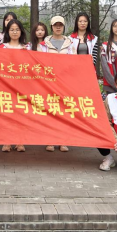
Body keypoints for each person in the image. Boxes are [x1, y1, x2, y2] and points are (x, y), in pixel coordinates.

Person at [44, 16, 76, 153]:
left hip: (65, 82)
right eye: (55, 25)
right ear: (51, 27)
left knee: (64, 111)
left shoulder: (71, 43)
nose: (58, 27)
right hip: (48, 83)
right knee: (50, 110)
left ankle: (63, 141)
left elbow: (74, 62)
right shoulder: (44, 44)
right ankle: (50, 140)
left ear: (63, 27)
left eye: (60, 25)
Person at [0, 19, 30, 152]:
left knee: (20, 113)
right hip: (5, 85)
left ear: (21, 31)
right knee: (6, 113)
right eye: (12, 30)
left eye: (17, 29)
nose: (15, 32)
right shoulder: (1, 47)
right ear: (7, 31)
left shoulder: (27, 47)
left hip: (23, 85)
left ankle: (20, 141)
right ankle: (7, 141)